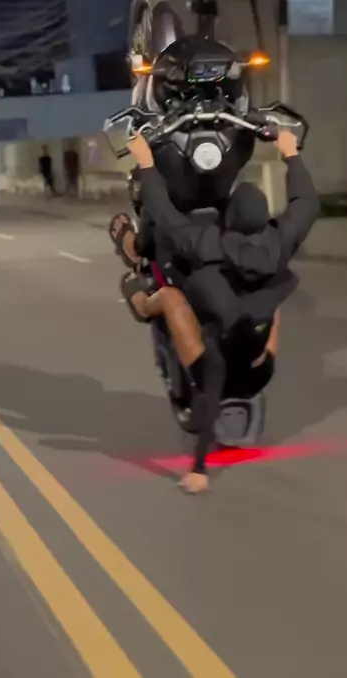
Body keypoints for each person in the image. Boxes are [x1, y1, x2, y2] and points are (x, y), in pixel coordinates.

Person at [117, 129, 318, 492]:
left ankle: (140, 302)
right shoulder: (280, 240)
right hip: (260, 368)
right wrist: (290, 153)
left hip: (220, 366)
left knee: (170, 297)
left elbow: (164, 214)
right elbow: (306, 203)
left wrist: (146, 162)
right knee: (269, 305)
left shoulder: (206, 241)